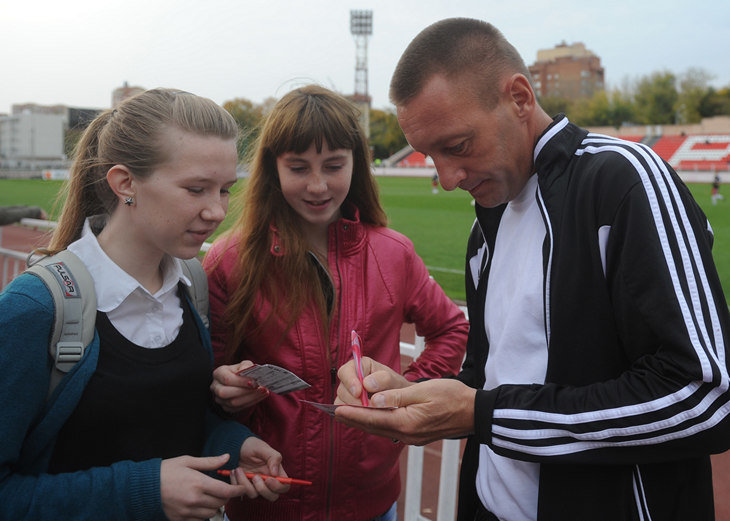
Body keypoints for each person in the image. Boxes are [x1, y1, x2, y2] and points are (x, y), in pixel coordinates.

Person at [334, 18, 730, 521]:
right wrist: (412, 397)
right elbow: (491, 378)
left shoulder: (623, 182)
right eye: (430, 156)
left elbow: (704, 396)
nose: (447, 178)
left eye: (456, 146)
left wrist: (484, 415)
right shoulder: (485, 235)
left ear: (519, 98)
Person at [0, 88, 291, 521]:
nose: (216, 211)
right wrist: (144, 491)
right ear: (125, 183)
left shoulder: (192, 283)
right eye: (196, 189)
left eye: (225, 190)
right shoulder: (35, 309)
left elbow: (169, 419)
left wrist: (230, 444)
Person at [204, 84, 469, 521]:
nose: (317, 185)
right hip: (267, 501)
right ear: (273, 169)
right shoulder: (230, 260)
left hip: (371, 502)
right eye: (298, 167)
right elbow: (208, 377)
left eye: (333, 165)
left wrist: (404, 395)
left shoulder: (393, 253)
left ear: (355, 165)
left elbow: (451, 328)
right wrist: (224, 391)